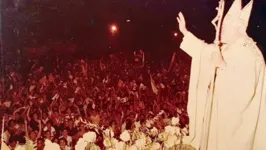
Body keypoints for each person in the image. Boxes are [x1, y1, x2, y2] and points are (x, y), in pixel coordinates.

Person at [176, 0, 266, 149]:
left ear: (239, 27)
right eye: (223, 24)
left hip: (234, 129)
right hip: (219, 119)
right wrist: (185, 32)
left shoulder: (250, 52)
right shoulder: (230, 47)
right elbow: (205, 52)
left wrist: (222, 66)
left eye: (227, 24)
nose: (222, 28)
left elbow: (247, 89)